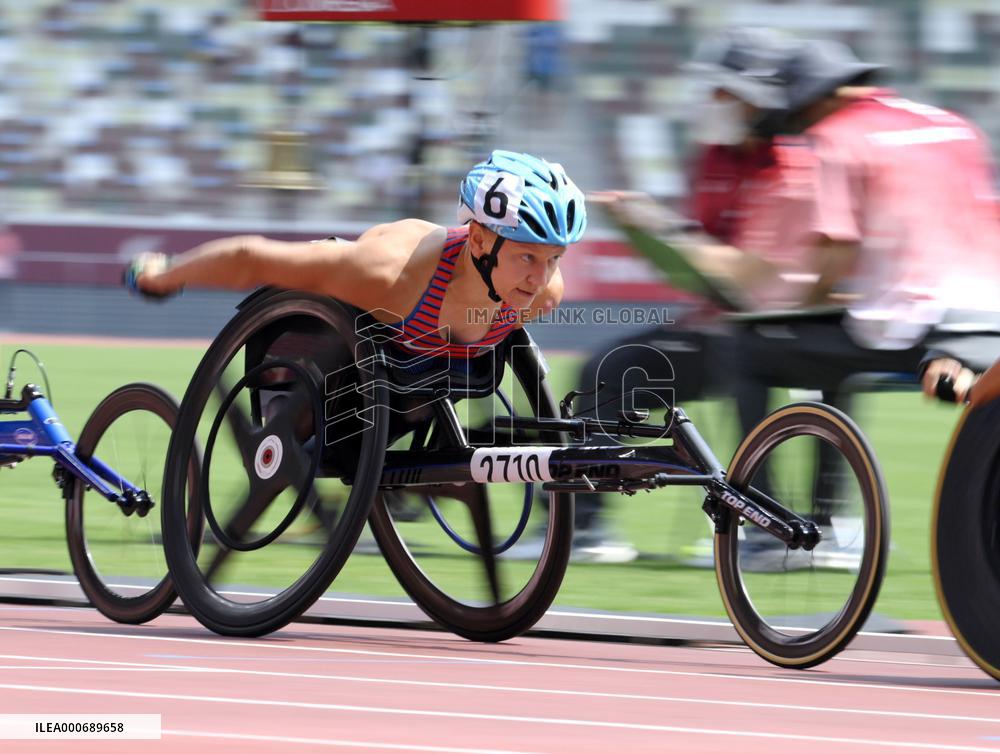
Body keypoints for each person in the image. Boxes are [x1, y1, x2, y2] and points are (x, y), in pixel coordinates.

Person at [126, 150, 586, 357]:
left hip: (419, 372)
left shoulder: (543, 296)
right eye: (528, 257)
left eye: (554, 259)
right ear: (480, 240)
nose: (541, 277)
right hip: (331, 332)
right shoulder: (389, 275)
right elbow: (252, 257)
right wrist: (163, 275)